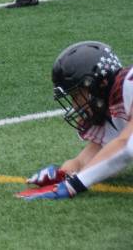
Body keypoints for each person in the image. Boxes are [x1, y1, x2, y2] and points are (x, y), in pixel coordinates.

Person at [18, 41, 132, 200]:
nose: (75, 104)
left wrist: (74, 185)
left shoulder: (129, 85)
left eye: (77, 95)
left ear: (99, 84)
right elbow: (91, 158)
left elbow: (127, 146)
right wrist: (64, 174)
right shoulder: (114, 107)